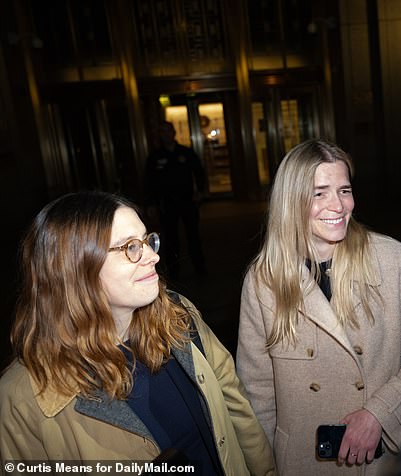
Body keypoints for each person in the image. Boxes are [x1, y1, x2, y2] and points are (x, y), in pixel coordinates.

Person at [0, 191, 275, 475]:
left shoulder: (178, 316)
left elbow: (236, 407)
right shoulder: (22, 400)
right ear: (75, 269)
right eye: (130, 248)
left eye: (147, 241)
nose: (153, 256)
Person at [236, 139, 401, 475]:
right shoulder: (264, 281)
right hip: (304, 463)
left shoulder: (389, 259)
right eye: (319, 193)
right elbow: (257, 392)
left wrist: (381, 413)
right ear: (291, 201)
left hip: (383, 460)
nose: (338, 205)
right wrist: (266, 468)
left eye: (344, 190)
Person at [145, 120, 208, 278]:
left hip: (187, 201)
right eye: (162, 131)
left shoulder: (186, 152)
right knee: (171, 239)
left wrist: (201, 191)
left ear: (173, 133)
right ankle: (174, 273)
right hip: (167, 204)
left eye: (168, 131)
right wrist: (151, 203)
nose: (166, 134)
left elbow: (199, 172)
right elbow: (149, 182)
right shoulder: (155, 157)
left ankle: (200, 270)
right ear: (160, 135)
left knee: (193, 236)